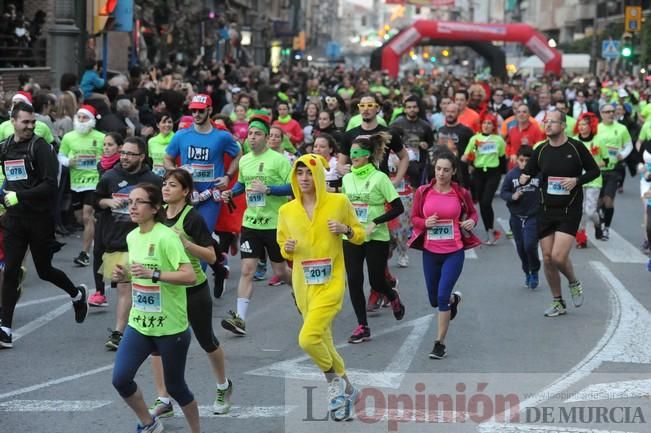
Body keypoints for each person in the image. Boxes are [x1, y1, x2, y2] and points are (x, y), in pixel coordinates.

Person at [277, 154, 364, 421]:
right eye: (299, 173)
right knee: (323, 339)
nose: (303, 178)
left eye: (308, 173)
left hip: (331, 281)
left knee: (308, 338)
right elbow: (282, 245)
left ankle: (335, 387)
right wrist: (286, 249)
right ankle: (348, 389)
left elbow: (360, 235)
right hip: (303, 284)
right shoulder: (287, 211)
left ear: (318, 175)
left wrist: (345, 229)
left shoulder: (339, 202)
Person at [111, 183, 201, 433]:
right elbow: (138, 274)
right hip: (140, 324)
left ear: (155, 208)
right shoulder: (132, 236)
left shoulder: (166, 236)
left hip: (170, 327)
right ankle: (149, 422)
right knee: (120, 379)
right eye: (130, 201)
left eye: (139, 202)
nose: (132, 206)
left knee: (176, 388)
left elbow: (189, 276)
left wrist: (155, 274)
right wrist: (124, 274)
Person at [0, 102, 88, 349]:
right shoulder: (5, 147)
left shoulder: (39, 147)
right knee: (11, 271)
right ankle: (5, 328)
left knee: (44, 270)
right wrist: (3, 195)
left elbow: (50, 185)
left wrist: (21, 196)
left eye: (32, 122)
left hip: (39, 219)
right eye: (24, 122)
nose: (29, 126)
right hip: (14, 220)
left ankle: (77, 295)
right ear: (13, 121)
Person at [147, 169, 232, 418]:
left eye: (172, 185)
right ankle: (164, 398)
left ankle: (223, 386)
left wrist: (184, 243)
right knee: (157, 343)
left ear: (185, 191)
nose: (165, 188)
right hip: (165, 288)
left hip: (193, 289)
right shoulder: (158, 215)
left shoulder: (191, 217)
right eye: (164, 184)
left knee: (206, 341)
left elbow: (211, 255)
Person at [518, 110, 600, 317]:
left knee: (557, 256)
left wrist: (576, 181)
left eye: (552, 122)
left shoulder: (576, 147)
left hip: (569, 209)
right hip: (546, 209)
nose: (548, 125)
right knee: (547, 258)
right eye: (546, 122)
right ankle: (558, 302)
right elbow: (529, 170)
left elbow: (594, 171)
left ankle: (573, 281)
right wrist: (524, 178)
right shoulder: (541, 150)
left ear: (563, 125)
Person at [220, 118, 292, 336]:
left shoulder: (279, 161)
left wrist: (268, 190)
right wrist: (232, 192)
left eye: (257, 134)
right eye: (249, 133)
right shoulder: (244, 161)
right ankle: (240, 319)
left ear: (267, 137)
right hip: (251, 223)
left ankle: (303, 293)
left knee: (280, 271)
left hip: (274, 224)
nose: (252, 137)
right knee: (247, 270)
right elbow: (242, 183)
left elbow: (293, 187)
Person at [408, 150, 480, 359]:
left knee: (440, 297)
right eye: (438, 169)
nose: (441, 173)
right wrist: (424, 223)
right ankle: (453, 301)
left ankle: (439, 343)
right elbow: (414, 218)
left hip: (454, 252)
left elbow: (473, 213)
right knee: (434, 299)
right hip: (430, 252)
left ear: (453, 172)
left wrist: (471, 221)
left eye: (446, 170)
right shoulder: (423, 191)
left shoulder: (460, 193)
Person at [94, 136, 162, 349]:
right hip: (117, 240)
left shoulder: (153, 180)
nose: (124, 157)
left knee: (141, 288)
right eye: (123, 152)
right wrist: (107, 201)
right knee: (125, 288)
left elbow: (162, 208)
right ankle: (119, 333)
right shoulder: (109, 176)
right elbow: (95, 200)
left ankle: (139, 329)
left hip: (145, 242)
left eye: (130, 154)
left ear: (142, 157)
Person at [341, 132, 406, 344]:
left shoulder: (379, 178)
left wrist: (375, 222)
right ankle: (363, 325)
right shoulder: (347, 178)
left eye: (357, 153)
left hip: (376, 236)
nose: (353, 156)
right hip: (351, 235)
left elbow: (398, 207)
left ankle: (392, 295)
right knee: (354, 280)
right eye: (351, 153)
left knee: (377, 280)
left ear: (368, 155)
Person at [59, 104, 105, 267]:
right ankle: (98, 232)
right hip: (76, 183)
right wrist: (68, 162)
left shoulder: (100, 137)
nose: (81, 120)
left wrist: (100, 164)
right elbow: (61, 156)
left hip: (94, 181)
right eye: (79, 117)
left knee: (86, 215)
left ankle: (84, 254)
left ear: (91, 120)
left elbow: (106, 156)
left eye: (85, 117)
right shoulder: (69, 137)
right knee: (81, 218)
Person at [87, 132, 124, 308]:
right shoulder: (100, 165)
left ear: (120, 147)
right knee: (98, 253)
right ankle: (100, 293)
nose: (106, 148)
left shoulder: (123, 166)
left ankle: (124, 285)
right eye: (105, 144)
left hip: (123, 217)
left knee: (118, 251)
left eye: (110, 144)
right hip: (104, 214)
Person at [461, 113, 507, 244]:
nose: (486, 126)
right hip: (478, 173)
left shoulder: (498, 140)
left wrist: (503, 174)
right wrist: (469, 156)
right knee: (482, 204)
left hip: (493, 173)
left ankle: (491, 231)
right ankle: (489, 231)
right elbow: (465, 156)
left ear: (493, 126)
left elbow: (502, 158)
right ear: (481, 124)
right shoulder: (475, 139)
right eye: (484, 123)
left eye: (490, 123)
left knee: (486, 201)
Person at [499, 146, 541, 288]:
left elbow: (546, 188)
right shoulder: (512, 175)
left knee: (530, 245)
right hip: (516, 217)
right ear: (516, 160)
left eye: (527, 161)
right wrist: (513, 196)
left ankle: (534, 270)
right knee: (521, 247)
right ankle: (527, 271)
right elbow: (503, 192)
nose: (524, 163)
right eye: (521, 160)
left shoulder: (538, 174)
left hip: (533, 216)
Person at [594, 103, 633, 241]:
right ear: (601, 114)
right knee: (597, 204)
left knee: (608, 201)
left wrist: (622, 154)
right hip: (597, 170)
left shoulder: (621, 128)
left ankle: (606, 229)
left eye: (612, 111)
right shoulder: (596, 128)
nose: (610, 114)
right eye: (607, 112)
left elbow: (629, 144)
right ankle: (599, 223)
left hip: (614, 169)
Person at [574, 112, 608, 247]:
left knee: (590, 211)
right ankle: (581, 239)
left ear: (591, 125)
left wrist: (592, 166)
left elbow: (605, 161)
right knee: (580, 211)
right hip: (578, 180)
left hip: (594, 180)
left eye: (584, 124)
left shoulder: (599, 140)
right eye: (580, 124)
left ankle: (598, 224)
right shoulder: (574, 141)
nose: (581, 127)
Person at [436, 102, 474, 189]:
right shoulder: (440, 130)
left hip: (461, 170)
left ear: (458, 113)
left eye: (453, 112)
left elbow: (474, 148)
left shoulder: (466, 131)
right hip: (443, 170)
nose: (449, 114)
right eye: (448, 111)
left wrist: (471, 163)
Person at [148, 111, 174, 177]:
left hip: (172, 177)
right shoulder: (151, 141)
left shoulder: (177, 140)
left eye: (169, 122)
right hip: (155, 178)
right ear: (157, 125)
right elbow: (151, 162)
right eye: (164, 122)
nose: (167, 125)